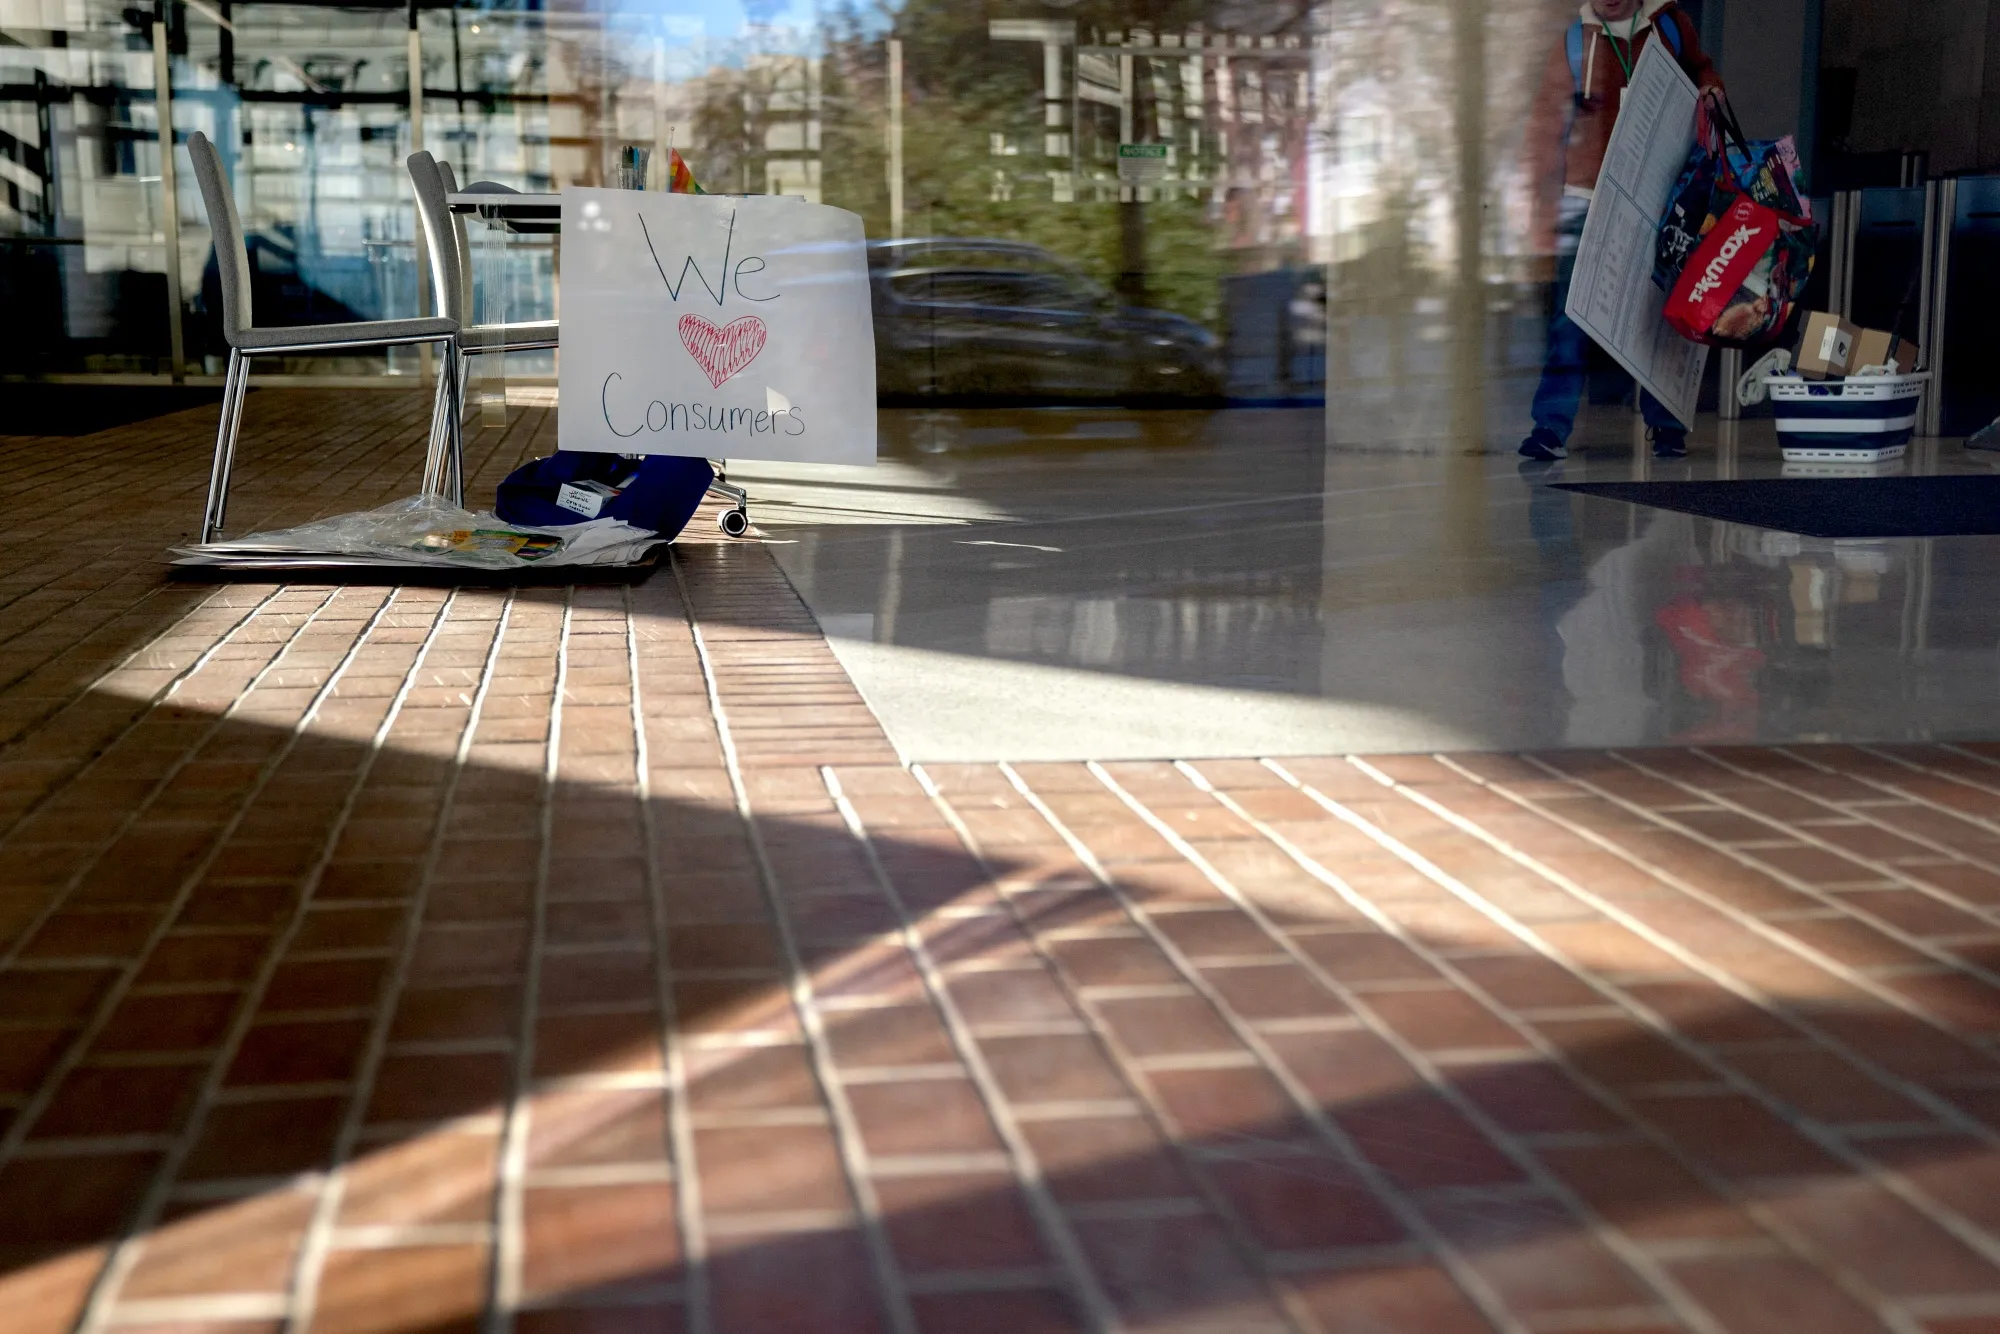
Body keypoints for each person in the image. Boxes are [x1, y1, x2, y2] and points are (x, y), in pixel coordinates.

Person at [1520, 0, 1723, 462]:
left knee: (1660, 313)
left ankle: (1667, 425)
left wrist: (1711, 89)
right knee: (1571, 319)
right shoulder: (1575, 40)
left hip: (1657, 193)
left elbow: (1702, 70)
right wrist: (1540, 214)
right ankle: (1550, 427)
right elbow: (1546, 129)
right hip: (1586, 198)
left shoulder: (1669, 25)